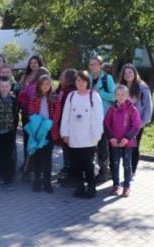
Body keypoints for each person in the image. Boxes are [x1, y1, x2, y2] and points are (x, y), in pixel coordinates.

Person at [60, 71, 103, 199]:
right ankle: (80, 186)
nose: (80, 83)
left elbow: (98, 117)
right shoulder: (71, 96)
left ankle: (91, 187)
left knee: (88, 164)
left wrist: (96, 135)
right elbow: (66, 115)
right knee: (76, 164)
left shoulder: (93, 96)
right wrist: (65, 133)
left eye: (83, 81)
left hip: (89, 138)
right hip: (74, 137)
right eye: (78, 80)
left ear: (87, 82)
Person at [104, 85, 142, 197]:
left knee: (127, 165)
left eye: (123, 94)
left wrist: (127, 138)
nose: (120, 97)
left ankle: (126, 186)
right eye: (118, 94)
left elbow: (136, 125)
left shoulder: (132, 109)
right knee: (114, 164)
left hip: (127, 143)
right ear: (115, 95)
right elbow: (106, 124)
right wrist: (111, 137)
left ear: (127, 95)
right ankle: (116, 185)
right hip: (114, 142)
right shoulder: (111, 109)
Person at [27, 75, 61, 193]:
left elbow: (57, 113)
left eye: (47, 84)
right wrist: (38, 125)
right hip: (38, 131)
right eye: (43, 84)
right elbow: (31, 112)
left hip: (50, 131)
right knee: (37, 156)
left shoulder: (55, 98)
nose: (45, 86)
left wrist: (50, 124)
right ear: (39, 86)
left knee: (47, 157)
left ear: (50, 85)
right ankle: (37, 180)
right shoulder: (34, 98)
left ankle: (47, 182)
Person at [118, 63, 153, 177]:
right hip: (122, 123)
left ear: (135, 73)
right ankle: (126, 169)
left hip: (137, 123)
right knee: (124, 146)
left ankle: (132, 172)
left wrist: (144, 122)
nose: (127, 75)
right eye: (125, 73)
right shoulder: (121, 87)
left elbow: (148, 106)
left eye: (130, 72)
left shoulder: (142, 87)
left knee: (134, 146)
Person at [88, 55, 116, 183]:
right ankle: (92, 169)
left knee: (102, 145)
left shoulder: (107, 78)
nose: (92, 66)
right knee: (92, 144)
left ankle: (105, 171)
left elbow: (114, 96)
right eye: (91, 64)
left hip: (104, 117)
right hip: (90, 117)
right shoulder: (88, 78)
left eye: (95, 64)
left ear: (100, 65)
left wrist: (100, 93)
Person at [0, 77, 19, 189]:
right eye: (2, 86)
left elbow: (15, 114)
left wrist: (14, 129)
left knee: (9, 156)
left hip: (9, 132)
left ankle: (8, 179)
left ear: (10, 87)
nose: (4, 89)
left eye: (7, 86)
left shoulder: (13, 99)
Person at [55, 69, 78, 185]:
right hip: (64, 124)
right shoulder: (63, 90)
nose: (60, 79)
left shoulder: (71, 92)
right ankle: (68, 170)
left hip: (69, 126)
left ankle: (72, 176)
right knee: (67, 150)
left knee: (70, 150)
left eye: (63, 77)